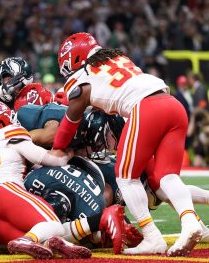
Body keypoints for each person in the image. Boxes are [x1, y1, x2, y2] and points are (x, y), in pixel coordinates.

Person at [51, 32, 202, 256]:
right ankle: (191, 222)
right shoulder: (118, 58)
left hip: (147, 109)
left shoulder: (81, 78)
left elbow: (70, 121)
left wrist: (57, 147)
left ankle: (152, 237)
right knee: (167, 177)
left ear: (73, 59)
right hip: (172, 104)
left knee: (125, 177)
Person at [0, 100, 91, 259]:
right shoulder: (9, 131)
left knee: (37, 230)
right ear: (2, 119)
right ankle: (26, 240)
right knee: (54, 224)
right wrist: (66, 157)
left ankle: (52, 243)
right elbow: (43, 157)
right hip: (5, 188)